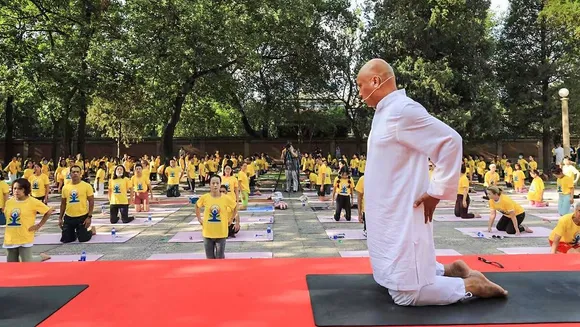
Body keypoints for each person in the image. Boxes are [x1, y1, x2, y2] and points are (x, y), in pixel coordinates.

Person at [357, 58, 507, 307]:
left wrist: (436, 192)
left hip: (403, 208)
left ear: (375, 81)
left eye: (360, 85)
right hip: (387, 209)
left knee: (406, 294)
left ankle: (469, 285)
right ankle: (446, 270)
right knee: (389, 276)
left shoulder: (402, 110)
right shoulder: (384, 112)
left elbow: (450, 140)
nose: (360, 92)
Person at [3, 178, 53, 261]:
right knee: (11, 265)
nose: (16, 191)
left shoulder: (33, 202)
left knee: (27, 262)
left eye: (20, 188)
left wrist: (39, 225)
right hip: (11, 237)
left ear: (25, 189)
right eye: (14, 188)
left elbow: (48, 211)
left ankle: (41, 257)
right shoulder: (9, 202)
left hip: (25, 236)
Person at [195, 175, 238, 259]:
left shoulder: (225, 198)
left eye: (217, 183)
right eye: (213, 183)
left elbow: (235, 206)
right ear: (209, 184)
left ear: (220, 184)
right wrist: (199, 218)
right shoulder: (205, 197)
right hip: (208, 233)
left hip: (221, 233)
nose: (215, 185)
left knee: (220, 258)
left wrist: (231, 218)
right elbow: (197, 206)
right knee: (210, 258)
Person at [59, 166, 96, 243]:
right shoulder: (65, 187)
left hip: (82, 217)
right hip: (69, 217)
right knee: (66, 239)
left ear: (80, 174)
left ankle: (91, 231)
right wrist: (60, 218)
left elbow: (91, 202)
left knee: (83, 239)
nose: (75, 174)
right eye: (73, 172)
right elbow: (63, 204)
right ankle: (74, 233)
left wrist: (89, 217)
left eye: (77, 172)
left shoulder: (87, 186)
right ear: (70, 174)